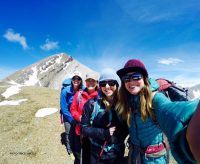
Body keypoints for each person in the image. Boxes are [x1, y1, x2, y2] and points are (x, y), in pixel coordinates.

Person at [116, 59, 199, 164]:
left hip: (155, 159)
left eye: (136, 77)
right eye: (126, 78)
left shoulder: (155, 98)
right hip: (135, 156)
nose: (131, 82)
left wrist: (192, 118)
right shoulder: (126, 101)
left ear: (145, 79)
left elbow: (168, 110)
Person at [81, 71, 129, 164]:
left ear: (117, 84)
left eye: (111, 83)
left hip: (117, 153)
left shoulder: (124, 104)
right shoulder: (91, 104)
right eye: (103, 84)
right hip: (97, 152)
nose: (107, 86)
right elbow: (83, 128)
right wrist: (104, 133)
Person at [70, 72, 99, 164]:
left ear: (97, 82)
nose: (90, 83)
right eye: (88, 81)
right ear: (85, 82)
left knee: (94, 156)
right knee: (82, 154)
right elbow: (73, 109)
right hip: (81, 131)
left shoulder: (101, 95)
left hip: (95, 132)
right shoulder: (79, 94)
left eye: (93, 81)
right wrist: (80, 118)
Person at [60, 71, 84, 161]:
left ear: (81, 81)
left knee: (77, 133)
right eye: (74, 78)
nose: (76, 80)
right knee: (69, 132)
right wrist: (71, 119)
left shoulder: (83, 89)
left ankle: (78, 150)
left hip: (78, 115)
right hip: (68, 115)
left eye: (78, 78)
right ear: (71, 80)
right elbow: (64, 108)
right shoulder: (65, 91)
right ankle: (70, 151)